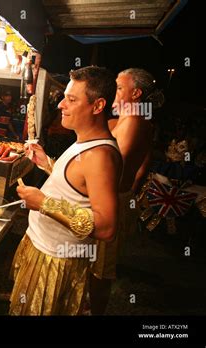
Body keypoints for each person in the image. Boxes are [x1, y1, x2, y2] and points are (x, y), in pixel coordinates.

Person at [9, 66, 123, 315]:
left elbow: (106, 228)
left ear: (97, 106)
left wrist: (44, 203)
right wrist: (48, 164)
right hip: (44, 248)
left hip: (56, 262)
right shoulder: (85, 140)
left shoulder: (100, 156)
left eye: (71, 99)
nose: (61, 105)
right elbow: (79, 188)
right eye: (64, 97)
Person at [89, 68, 165, 315]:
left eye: (120, 88)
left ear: (136, 93)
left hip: (110, 200)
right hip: (113, 197)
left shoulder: (133, 121)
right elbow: (144, 161)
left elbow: (110, 165)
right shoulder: (124, 119)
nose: (114, 92)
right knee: (90, 263)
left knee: (100, 269)